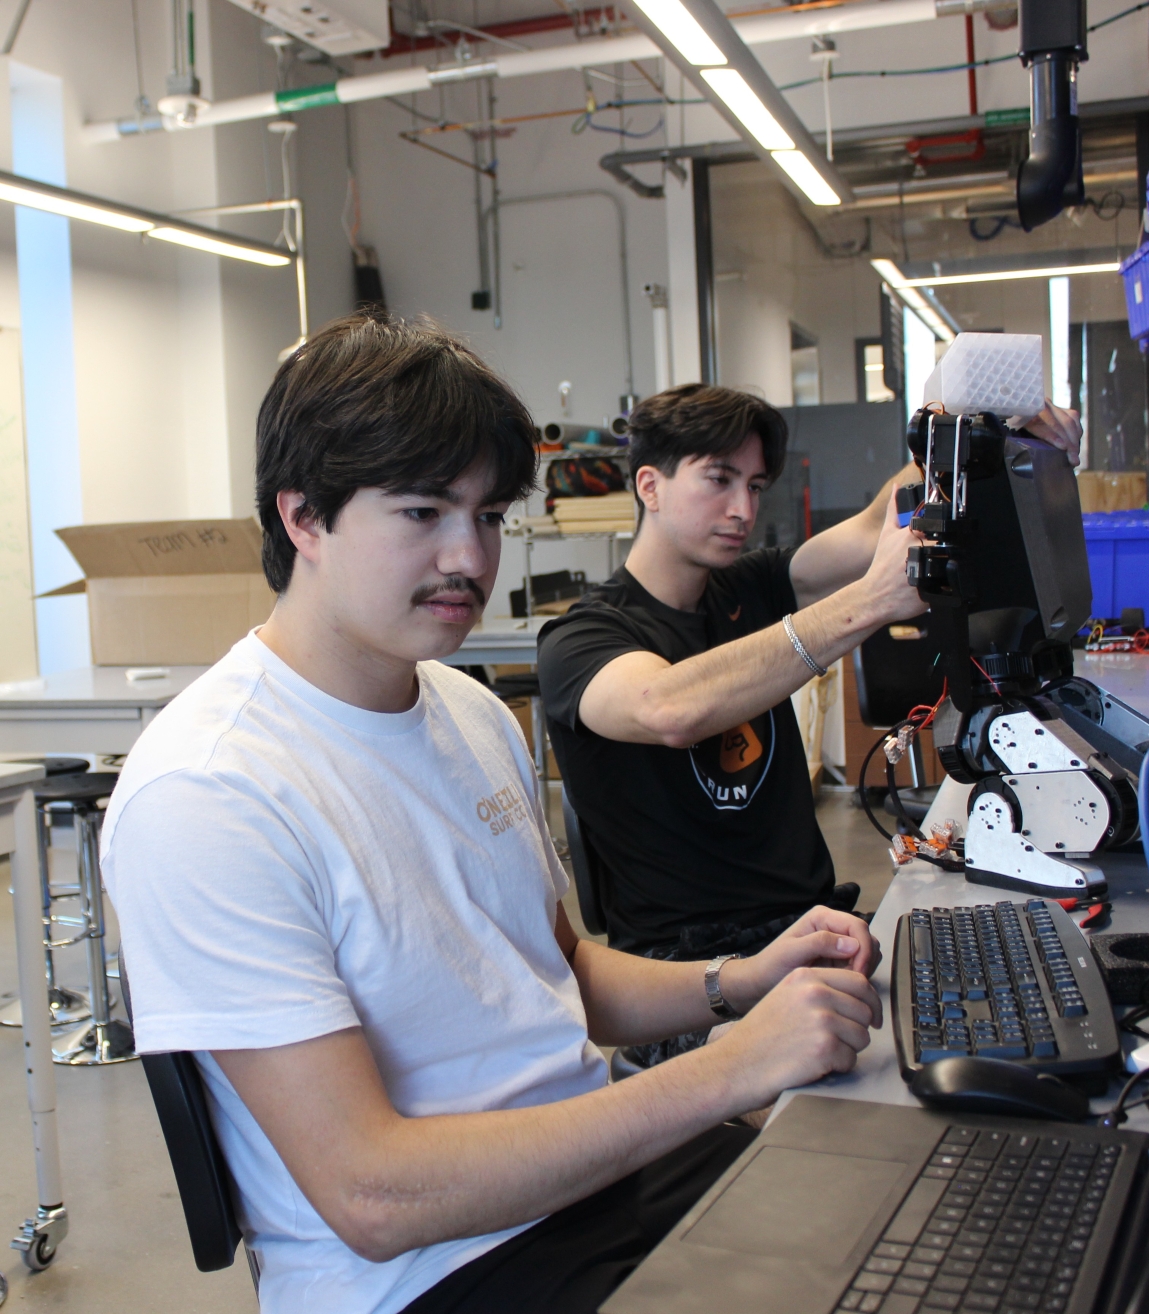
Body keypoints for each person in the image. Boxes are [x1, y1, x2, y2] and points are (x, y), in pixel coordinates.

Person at [102, 315, 885, 1314]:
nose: (468, 557)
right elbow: (372, 1196)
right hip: (438, 1274)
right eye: (424, 512)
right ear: (303, 518)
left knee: (913, 1229)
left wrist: (740, 982)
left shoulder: (467, 709)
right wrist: (735, 1068)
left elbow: (558, 971)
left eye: (488, 515)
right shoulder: (211, 791)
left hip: (598, 1185)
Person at [536, 384, 1082, 1064]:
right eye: (719, 480)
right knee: (848, 1099)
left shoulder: (749, 586)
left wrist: (974, 431)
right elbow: (668, 707)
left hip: (813, 931)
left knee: (998, 1024)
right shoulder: (582, 640)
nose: (743, 509)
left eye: (756, 485)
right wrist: (867, 603)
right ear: (650, 484)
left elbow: (872, 524)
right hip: (689, 979)